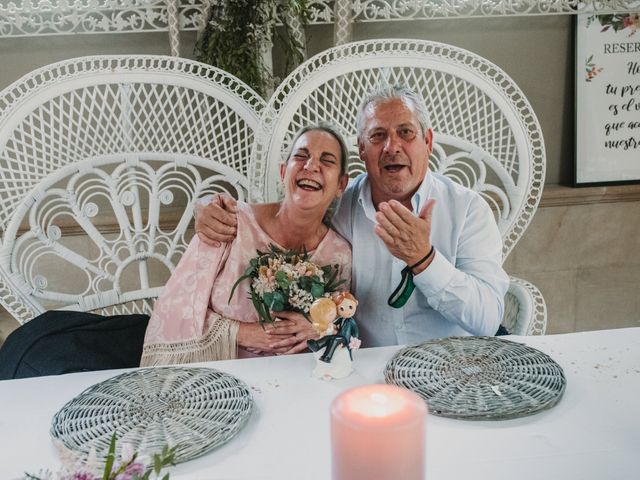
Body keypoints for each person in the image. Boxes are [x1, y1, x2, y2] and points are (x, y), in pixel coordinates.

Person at [194, 85, 510, 348]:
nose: (392, 146)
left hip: (452, 364)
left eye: (405, 133)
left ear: (427, 142)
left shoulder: (468, 209)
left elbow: (487, 319)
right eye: (377, 136)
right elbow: (287, 212)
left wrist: (424, 259)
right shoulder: (338, 206)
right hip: (362, 370)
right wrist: (208, 206)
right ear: (361, 148)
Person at [140, 123, 352, 366]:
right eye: (301, 156)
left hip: (298, 381)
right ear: (284, 172)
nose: (311, 166)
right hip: (218, 380)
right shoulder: (229, 222)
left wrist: (319, 327)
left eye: (327, 161)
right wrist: (242, 333)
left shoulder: (339, 255)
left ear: (341, 185)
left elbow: (342, 322)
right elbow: (176, 308)